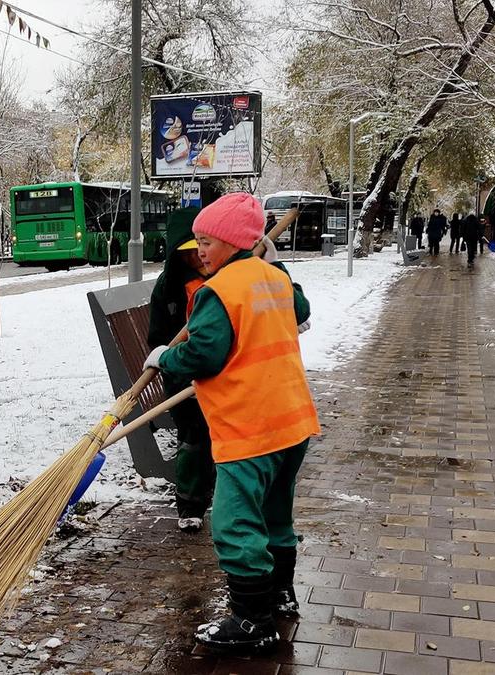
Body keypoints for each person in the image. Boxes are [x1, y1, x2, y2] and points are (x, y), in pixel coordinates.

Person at [143, 193, 319, 653]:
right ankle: (279, 595)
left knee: (234, 521)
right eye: (198, 240)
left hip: (250, 426)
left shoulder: (218, 290)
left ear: (232, 242)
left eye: (207, 240)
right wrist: (277, 268)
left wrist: (167, 355)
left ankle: (251, 620)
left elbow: (204, 354)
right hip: (292, 422)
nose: (200, 249)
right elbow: (300, 311)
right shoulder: (272, 279)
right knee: (275, 513)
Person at [147, 212, 214, 533]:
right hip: (182, 378)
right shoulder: (169, 288)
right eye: (188, 251)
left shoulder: (222, 279)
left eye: (201, 247)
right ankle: (190, 502)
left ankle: (215, 489)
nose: (197, 256)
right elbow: (158, 339)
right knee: (197, 432)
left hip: (218, 374)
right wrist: (168, 358)